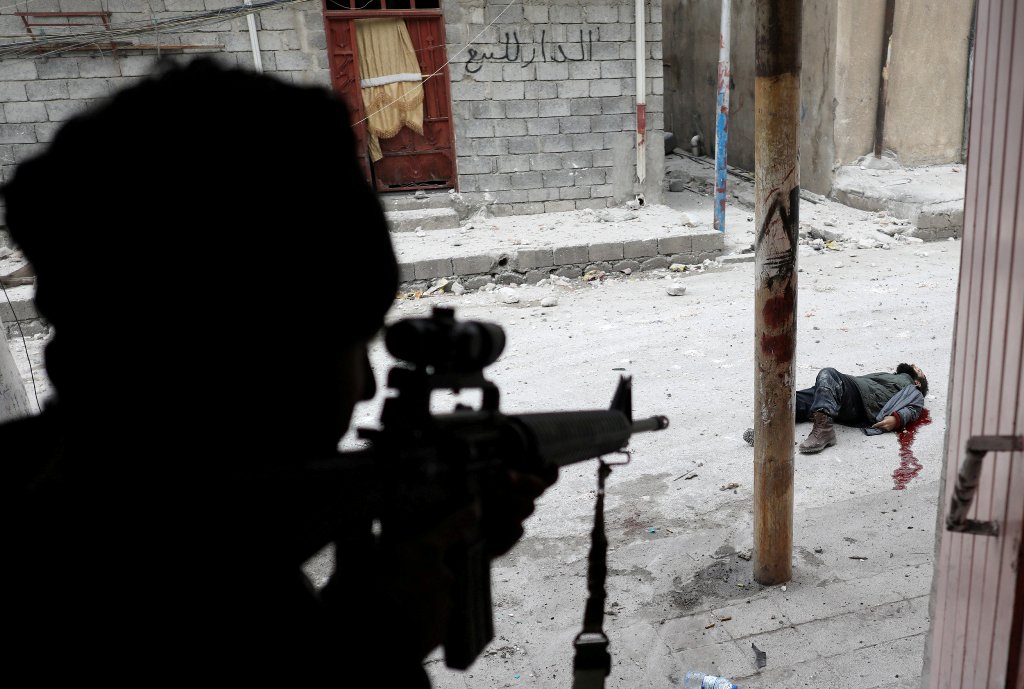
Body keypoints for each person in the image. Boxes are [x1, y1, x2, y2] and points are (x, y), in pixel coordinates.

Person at [1, 59, 547, 683]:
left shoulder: (48, 489)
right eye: (352, 343)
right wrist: (378, 644)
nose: (369, 386)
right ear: (256, 360)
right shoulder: (163, 579)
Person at [796, 363, 929, 454]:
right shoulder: (890, 376)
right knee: (794, 400)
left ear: (918, 382)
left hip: (861, 399)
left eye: (919, 370)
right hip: (845, 391)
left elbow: (914, 409)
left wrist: (897, 419)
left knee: (828, 373)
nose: (914, 365)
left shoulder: (913, 390)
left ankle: (824, 430)